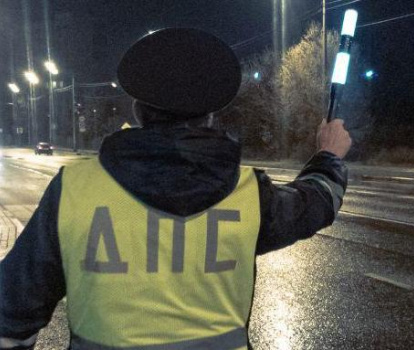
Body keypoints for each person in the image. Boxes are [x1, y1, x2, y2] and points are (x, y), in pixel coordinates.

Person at [0, 28, 351, 350]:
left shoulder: (74, 191)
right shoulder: (248, 194)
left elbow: (11, 316)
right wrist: (328, 154)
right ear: (211, 115)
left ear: (138, 111)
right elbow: (316, 203)